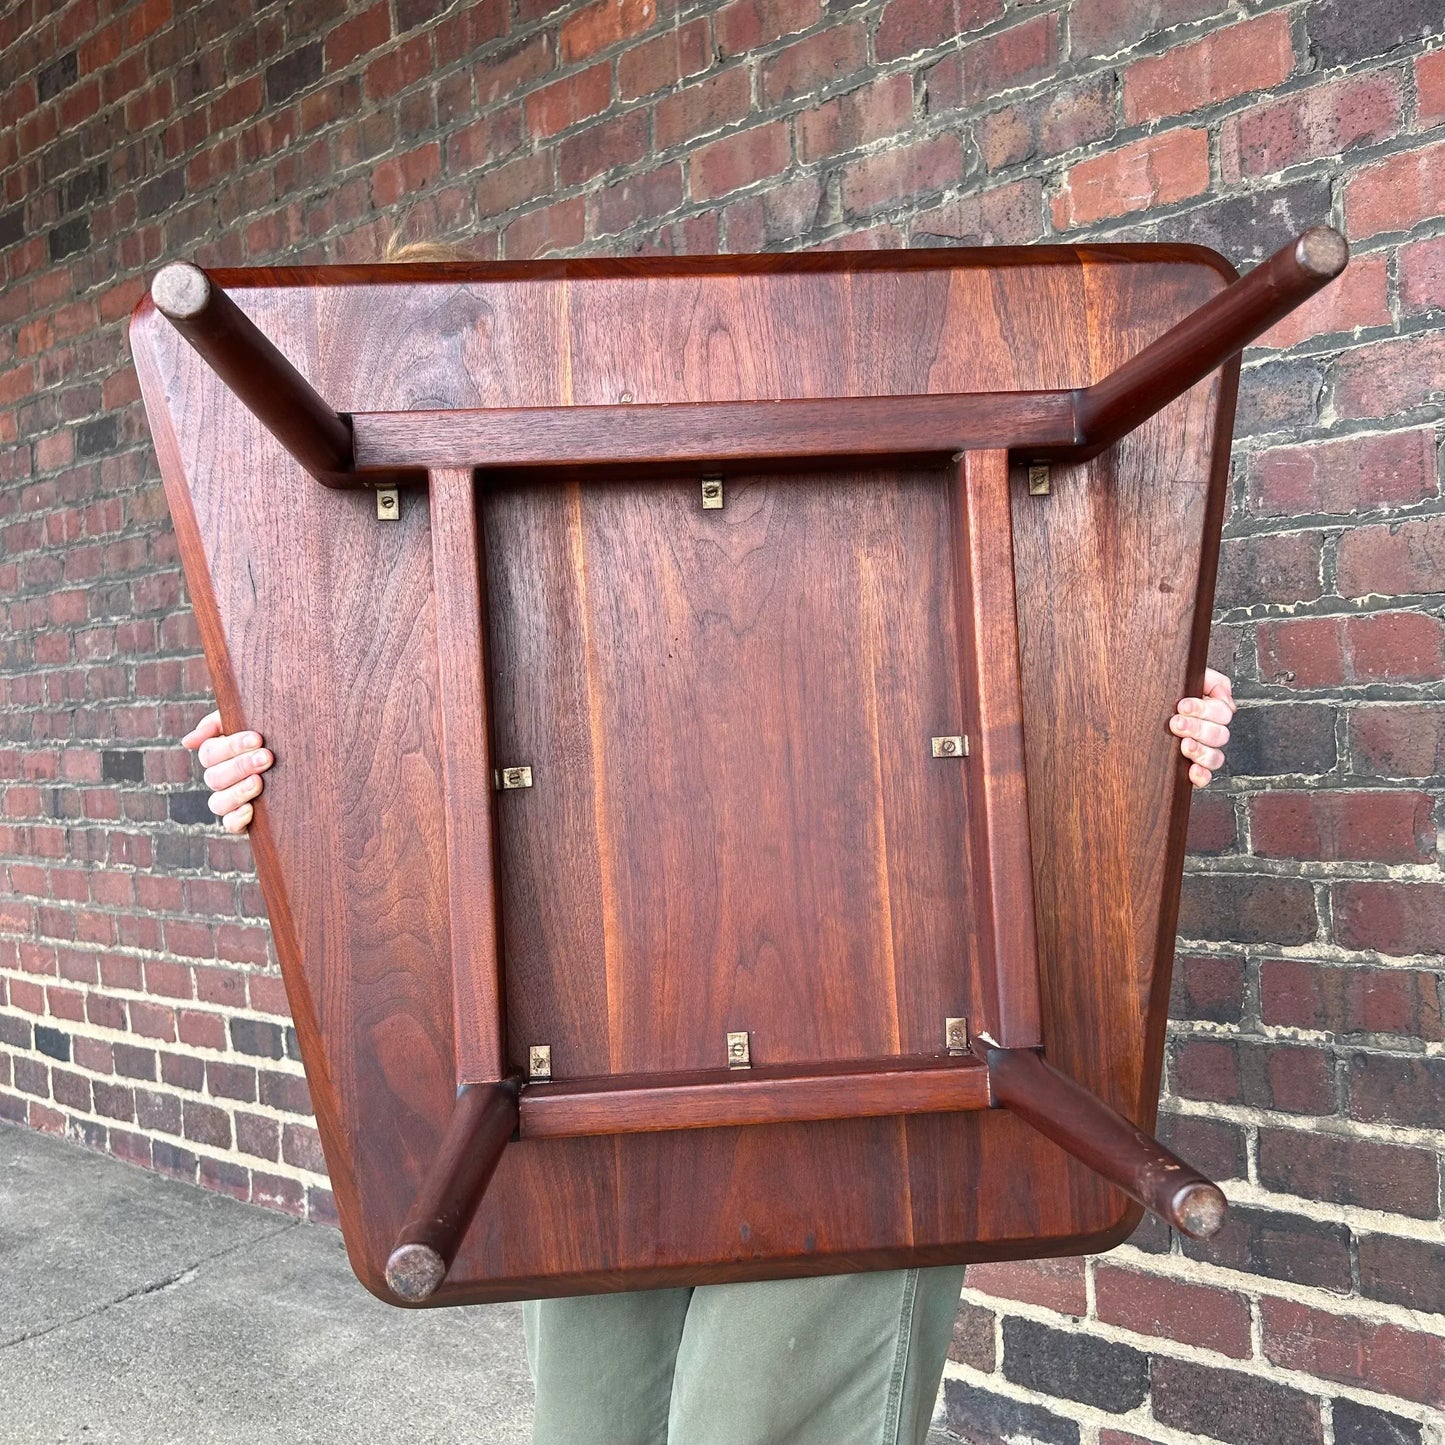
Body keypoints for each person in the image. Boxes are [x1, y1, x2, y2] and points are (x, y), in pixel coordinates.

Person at [181, 665, 1233, 1444]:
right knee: (594, 1427)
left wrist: (1133, 697)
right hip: (580, 1048)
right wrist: (292, 760)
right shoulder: (510, 385)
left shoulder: (893, 368)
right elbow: (385, 660)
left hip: (877, 1049)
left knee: (761, 1421)